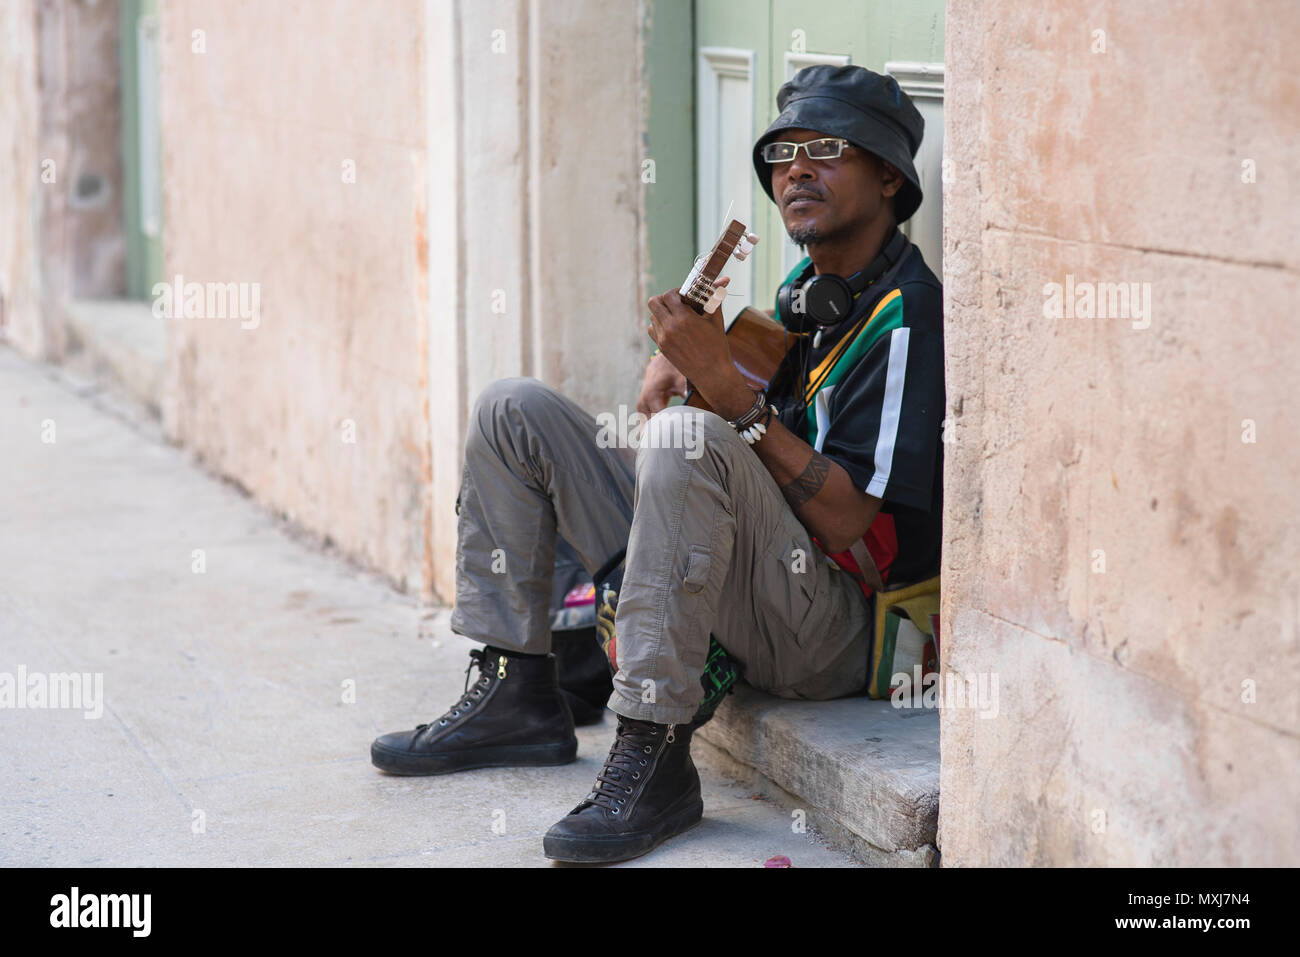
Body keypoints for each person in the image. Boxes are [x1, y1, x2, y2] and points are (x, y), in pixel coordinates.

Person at [370, 64, 945, 864]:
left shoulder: (907, 316)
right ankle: (517, 689)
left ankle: (654, 744)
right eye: (781, 154)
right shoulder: (798, 301)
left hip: (836, 629)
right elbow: (717, 454)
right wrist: (680, 391)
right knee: (513, 410)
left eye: (825, 150)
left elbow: (850, 518)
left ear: (888, 174)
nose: (796, 170)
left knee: (684, 438)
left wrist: (718, 396)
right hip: (756, 586)